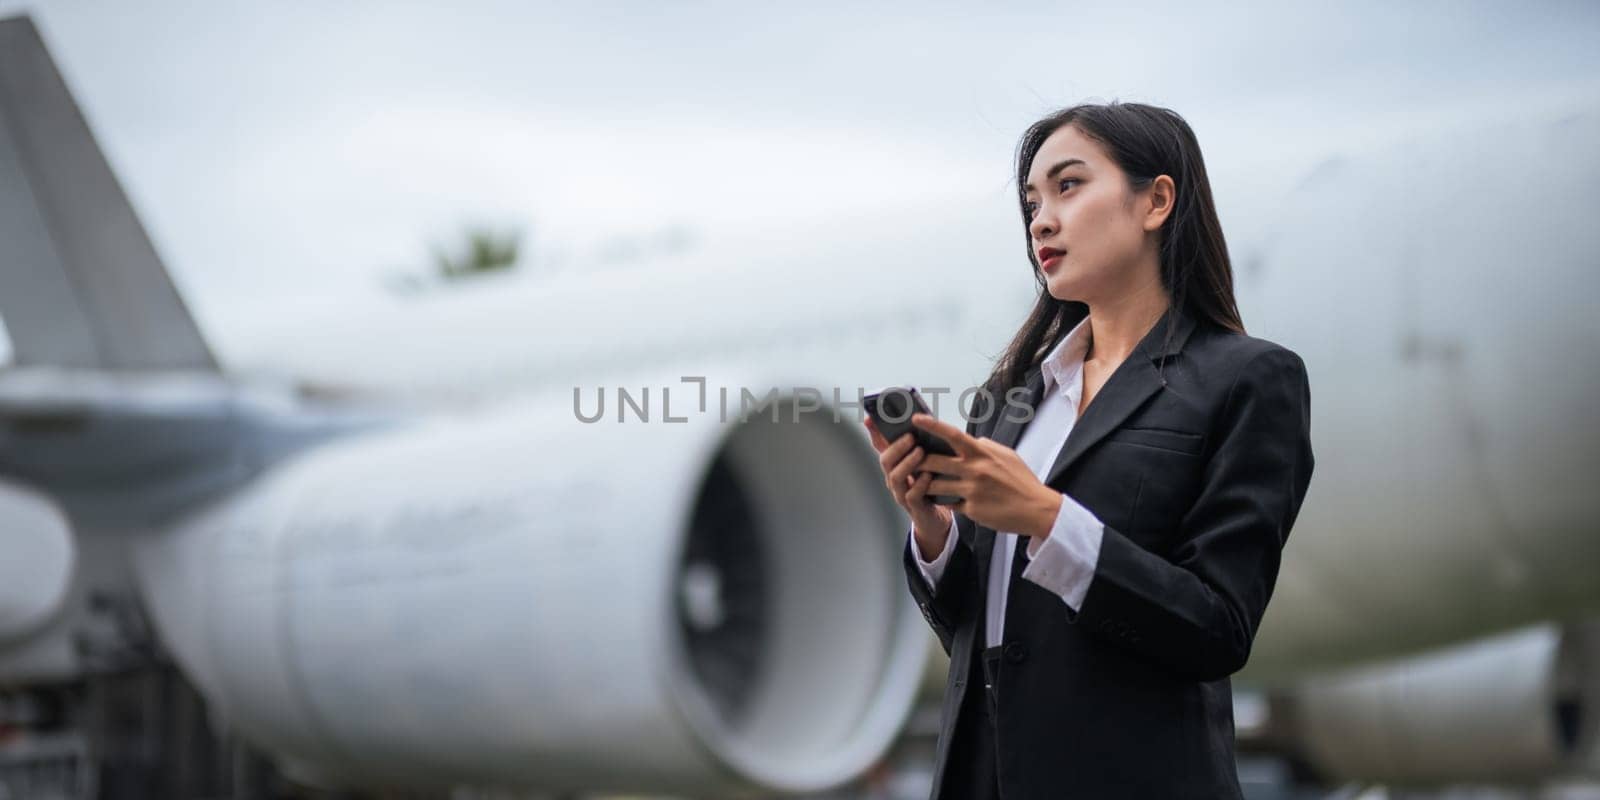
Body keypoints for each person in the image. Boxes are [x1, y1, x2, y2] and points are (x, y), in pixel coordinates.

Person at [862, 101, 1315, 799]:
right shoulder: (1010, 397)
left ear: (1156, 201)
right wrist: (933, 528)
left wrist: (1046, 518)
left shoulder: (1248, 380)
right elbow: (975, 626)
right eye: (1032, 201)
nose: (1042, 218)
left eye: (1069, 186)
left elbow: (1218, 627)